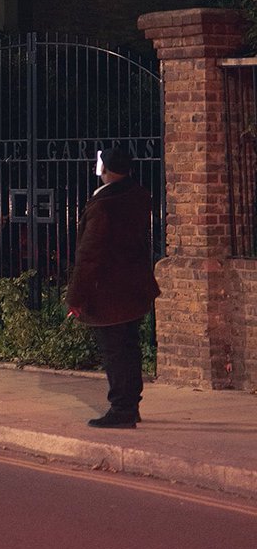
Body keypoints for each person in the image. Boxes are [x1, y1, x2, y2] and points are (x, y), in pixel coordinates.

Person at [66, 145, 160, 429]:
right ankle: (130, 404)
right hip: (133, 287)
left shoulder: (104, 205)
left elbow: (90, 255)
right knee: (129, 348)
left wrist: (76, 295)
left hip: (109, 291)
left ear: (104, 169)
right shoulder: (138, 195)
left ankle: (122, 409)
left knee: (116, 352)